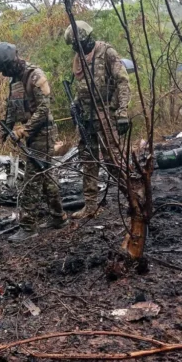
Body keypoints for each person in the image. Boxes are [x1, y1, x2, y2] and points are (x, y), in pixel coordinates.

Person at [0, 42, 67, 242]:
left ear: (13, 60)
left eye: (5, 69)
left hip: (43, 133)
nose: (4, 74)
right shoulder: (14, 81)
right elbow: (11, 110)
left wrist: (24, 130)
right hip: (31, 135)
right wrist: (1, 134)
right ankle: (59, 217)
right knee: (47, 176)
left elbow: (43, 110)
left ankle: (28, 226)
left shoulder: (35, 75)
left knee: (30, 180)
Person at [63, 21, 131, 219]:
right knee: (88, 161)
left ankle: (133, 197)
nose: (76, 49)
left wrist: (122, 112)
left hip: (106, 115)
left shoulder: (107, 52)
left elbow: (122, 81)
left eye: (78, 44)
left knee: (113, 161)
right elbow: (82, 87)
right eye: (74, 46)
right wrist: (75, 104)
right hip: (86, 117)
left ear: (87, 39)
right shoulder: (79, 59)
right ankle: (91, 205)